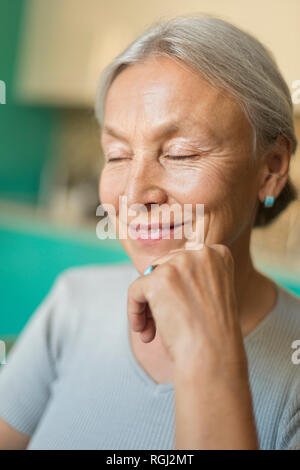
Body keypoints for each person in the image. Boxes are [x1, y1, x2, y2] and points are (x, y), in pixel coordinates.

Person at [1, 14, 300, 450]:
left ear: (271, 168)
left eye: (181, 153)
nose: (135, 195)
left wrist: (209, 360)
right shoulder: (73, 304)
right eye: (117, 155)